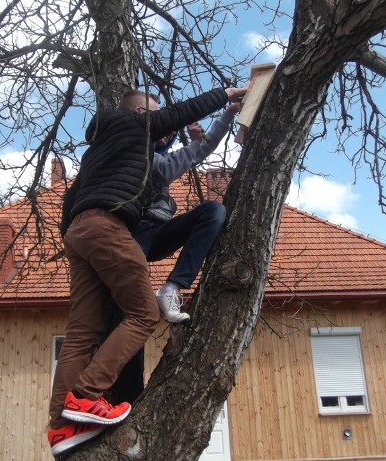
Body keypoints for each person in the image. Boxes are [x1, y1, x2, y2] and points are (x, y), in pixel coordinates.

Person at [47, 85, 247, 456]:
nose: (163, 124)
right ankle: (86, 396)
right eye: (154, 116)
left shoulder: (102, 152)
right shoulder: (131, 126)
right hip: (107, 228)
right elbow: (172, 119)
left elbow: (190, 149)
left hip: (78, 233)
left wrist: (76, 238)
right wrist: (229, 95)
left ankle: (61, 427)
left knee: (81, 332)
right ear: (141, 116)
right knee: (142, 313)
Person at [134, 102, 241, 323]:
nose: (169, 133)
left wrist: (228, 114)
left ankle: (172, 288)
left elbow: (202, 150)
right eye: (165, 127)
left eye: (173, 131)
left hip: (157, 232)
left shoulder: (161, 155)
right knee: (131, 297)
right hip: (131, 233)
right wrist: (196, 143)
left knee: (213, 211)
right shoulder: (137, 151)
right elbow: (166, 169)